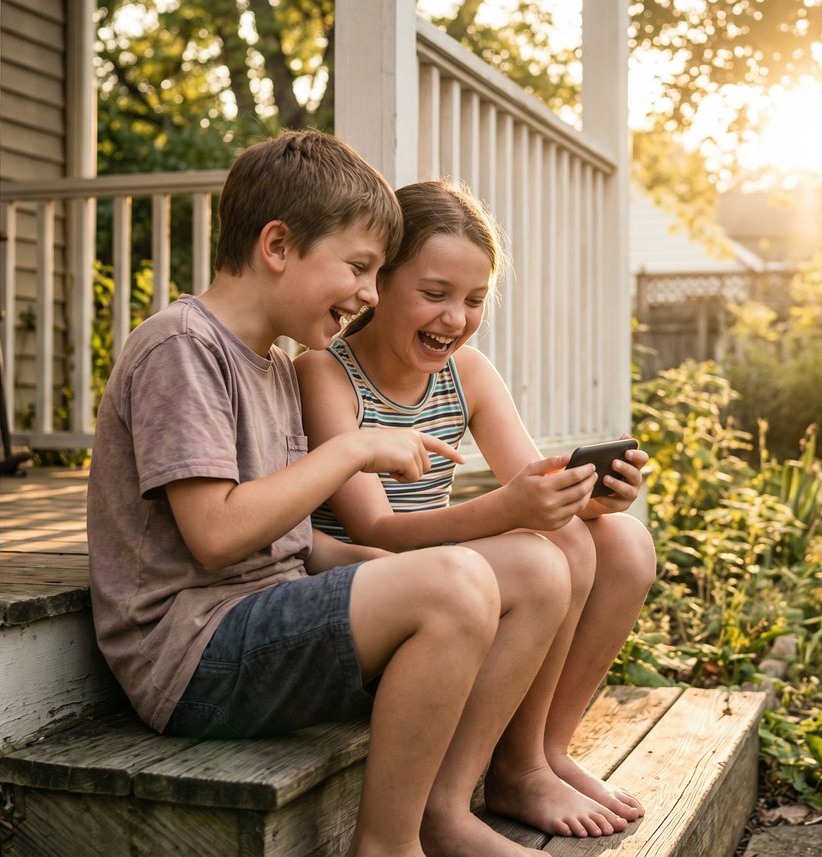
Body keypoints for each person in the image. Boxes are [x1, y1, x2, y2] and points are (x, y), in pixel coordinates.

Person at [87, 131, 574, 857]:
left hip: (264, 619)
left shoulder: (275, 366)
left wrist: (380, 567)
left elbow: (291, 540)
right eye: (360, 268)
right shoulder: (180, 347)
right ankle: (387, 845)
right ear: (278, 245)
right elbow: (216, 535)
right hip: (193, 656)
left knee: (533, 567)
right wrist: (353, 449)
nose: (371, 295)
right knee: (453, 582)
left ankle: (450, 805)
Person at [296, 178, 657, 841]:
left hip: (447, 575)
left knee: (621, 542)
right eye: (434, 294)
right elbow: (375, 527)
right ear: (379, 283)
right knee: (553, 552)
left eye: (473, 299)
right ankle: (459, 795)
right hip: (373, 588)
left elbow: (534, 484)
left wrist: (590, 495)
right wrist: (516, 507)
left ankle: (539, 753)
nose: (454, 318)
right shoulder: (325, 372)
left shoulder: (467, 373)